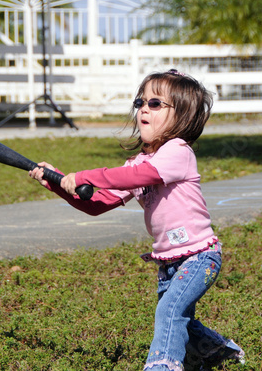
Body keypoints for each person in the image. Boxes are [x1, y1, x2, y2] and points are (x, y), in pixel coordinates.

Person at [29, 69, 245, 371]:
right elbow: (99, 203)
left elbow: (136, 176)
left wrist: (83, 176)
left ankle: (162, 366)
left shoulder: (177, 152)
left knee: (169, 311)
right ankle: (217, 352)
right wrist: (58, 183)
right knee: (179, 316)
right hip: (169, 262)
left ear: (181, 115)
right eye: (140, 102)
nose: (143, 108)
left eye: (155, 103)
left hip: (200, 257)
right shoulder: (141, 161)